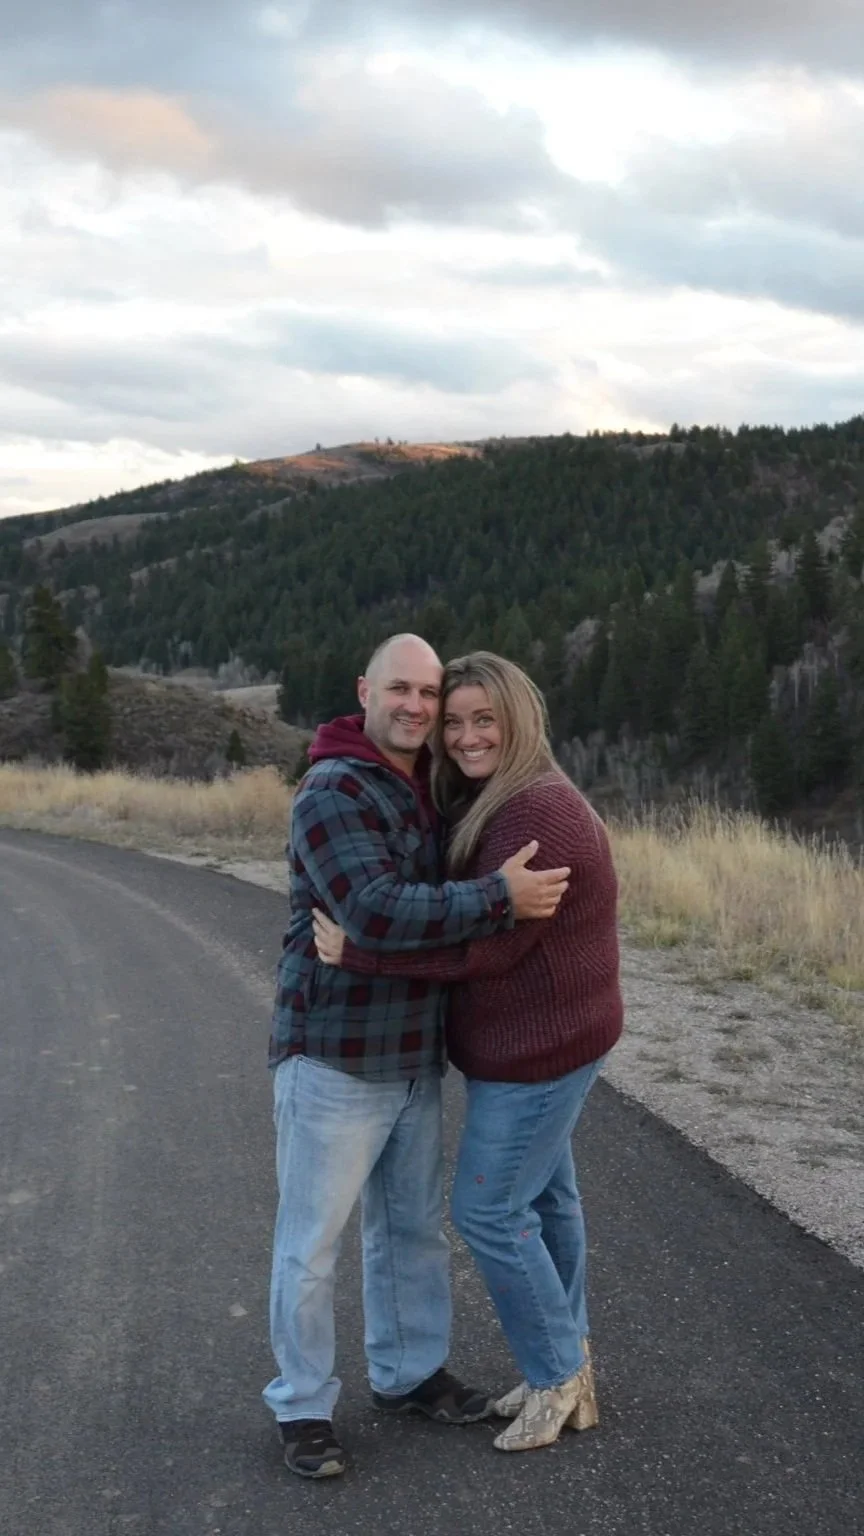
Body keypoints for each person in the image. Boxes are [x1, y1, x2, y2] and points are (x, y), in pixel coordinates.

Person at [264, 634, 571, 1478]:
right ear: (366, 691)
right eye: (400, 689)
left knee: (410, 1230)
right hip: (333, 1056)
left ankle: (409, 1374)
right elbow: (373, 908)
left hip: (411, 1054)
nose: (417, 707)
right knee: (311, 1245)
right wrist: (499, 897)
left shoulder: (426, 784)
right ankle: (302, 1405)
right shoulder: (333, 789)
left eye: (429, 694)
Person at [313, 651, 623, 1454]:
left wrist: (362, 954)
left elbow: (491, 951)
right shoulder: (498, 798)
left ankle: (557, 1376)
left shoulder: (535, 814)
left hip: (541, 1050)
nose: (465, 736)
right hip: (542, 1038)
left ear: (519, 719)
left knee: (488, 1211)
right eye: (453, 722)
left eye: (485, 720)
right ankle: (571, 1363)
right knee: (546, 1201)